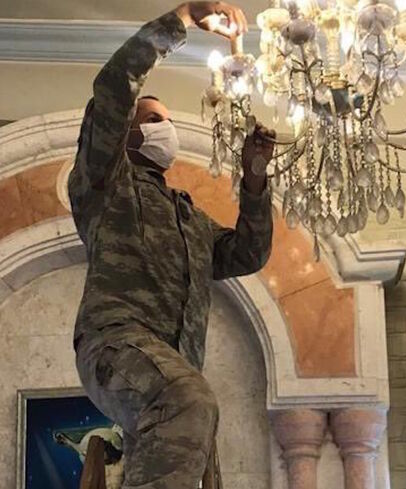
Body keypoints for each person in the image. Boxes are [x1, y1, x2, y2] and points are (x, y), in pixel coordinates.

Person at [68, 2, 275, 489]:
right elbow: (115, 87)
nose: (167, 127)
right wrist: (182, 18)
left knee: (201, 451)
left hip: (171, 365)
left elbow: (248, 252)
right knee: (189, 399)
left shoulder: (189, 218)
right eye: (154, 118)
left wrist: (254, 179)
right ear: (127, 133)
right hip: (115, 343)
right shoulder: (106, 184)